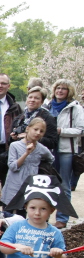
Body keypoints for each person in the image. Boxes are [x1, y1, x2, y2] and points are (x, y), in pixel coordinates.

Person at [48, 79, 84, 228]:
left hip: (65, 150)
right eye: (58, 88)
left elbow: (80, 129)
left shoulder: (74, 107)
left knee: (64, 185)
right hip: (49, 150)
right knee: (48, 183)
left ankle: (62, 218)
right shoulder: (48, 105)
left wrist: (61, 131)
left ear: (69, 91)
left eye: (64, 88)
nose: (60, 91)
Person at [2, 118, 54, 206]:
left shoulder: (41, 149)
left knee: (25, 210)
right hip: (14, 183)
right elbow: (13, 166)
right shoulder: (15, 145)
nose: (38, 133)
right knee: (9, 212)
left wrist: (41, 168)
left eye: (41, 131)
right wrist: (26, 153)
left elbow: (51, 158)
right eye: (35, 129)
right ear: (28, 129)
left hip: (30, 184)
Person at [10, 86, 58, 152]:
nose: (32, 100)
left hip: (38, 155)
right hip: (20, 154)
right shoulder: (19, 118)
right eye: (30, 97)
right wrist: (13, 137)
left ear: (42, 102)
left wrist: (32, 137)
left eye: (36, 98)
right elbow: (10, 140)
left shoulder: (47, 118)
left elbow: (53, 142)